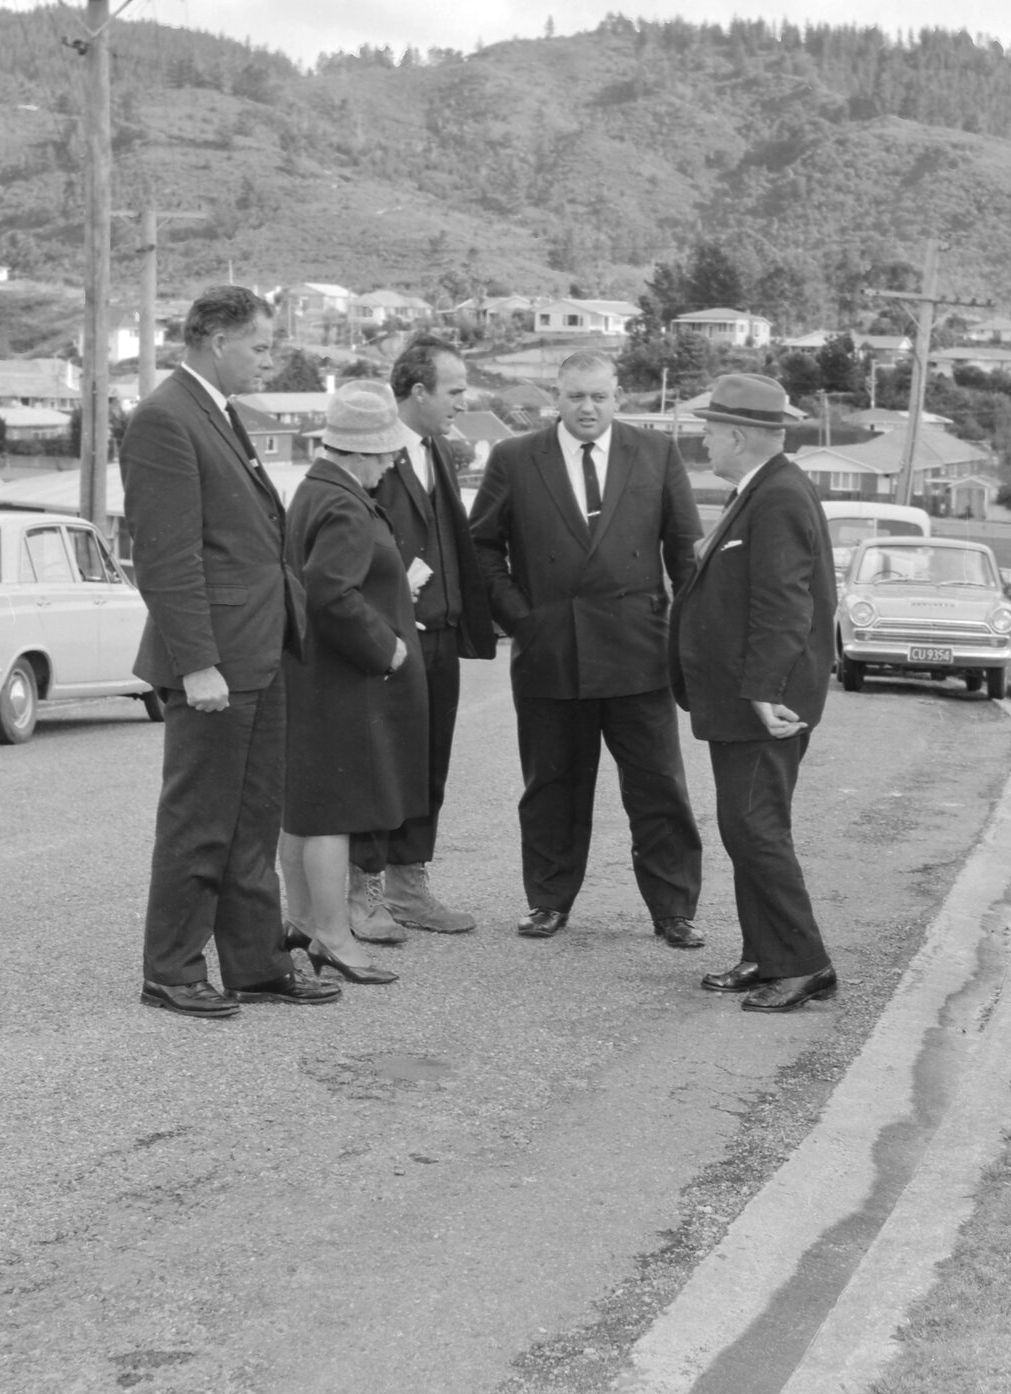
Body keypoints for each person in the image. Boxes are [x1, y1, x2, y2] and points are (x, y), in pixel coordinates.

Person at [121, 284, 335, 1018]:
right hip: (216, 659)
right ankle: (171, 969)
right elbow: (167, 558)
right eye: (260, 345)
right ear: (215, 339)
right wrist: (196, 662)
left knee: (251, 818)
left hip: (258, 649)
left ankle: (255, 963)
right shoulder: (164, 420)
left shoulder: (217, 413)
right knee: (199, 820)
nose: (268, 360)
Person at [470, 348, 705, 945]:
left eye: (599, 396)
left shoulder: (655, 452)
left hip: (638, 651)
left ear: (618, 397)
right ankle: (548, 900)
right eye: (576, 395)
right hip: (552, 653)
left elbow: (684, 554)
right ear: (556, 397)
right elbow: (482, 549)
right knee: (552, 786)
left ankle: (673, 909)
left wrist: (688, 640)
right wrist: (524, 619)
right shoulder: (515, 458)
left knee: (658, 788)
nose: (587, 407)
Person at [670, 374, 839, 1012]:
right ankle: (766, 954)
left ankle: (803, 964)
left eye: (711, 432)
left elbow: (785, 602)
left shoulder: (779, 496)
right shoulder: (761, 490)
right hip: (743, 696)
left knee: (755, 827)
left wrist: (766, 688)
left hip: (765, 703)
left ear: (738, 436)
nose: (705, 442)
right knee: (745, 827)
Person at [345, 333, 495, 941]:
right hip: (389, 639)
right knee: (380, 765)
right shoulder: (371, 455)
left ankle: (410, 887)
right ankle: (362, 894)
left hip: (439, 635)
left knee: (428, 764)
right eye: (454, 391)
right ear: (417, 391)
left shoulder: (437, 449)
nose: (462, 401)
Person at [279, 381, 425, 978]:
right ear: (359, 452)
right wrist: (385, 648)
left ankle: (304, 921)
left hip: (310, 675)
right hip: (339, 681)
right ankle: (334, 937)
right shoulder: (343, 503)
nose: (391, 463)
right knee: (334, 814)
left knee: (302, 810)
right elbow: (329, 592)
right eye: (386, 453)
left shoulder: (314, 489)